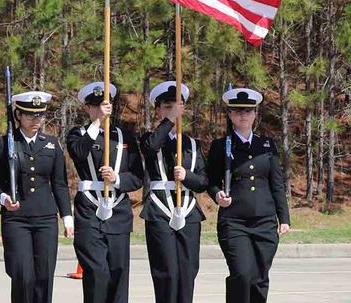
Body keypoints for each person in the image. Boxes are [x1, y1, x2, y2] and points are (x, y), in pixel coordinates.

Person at [207, 88, 290, 303]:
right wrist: (217, 195)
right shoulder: (220, 146)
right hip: (234, 221)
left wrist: (284, 218)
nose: (243, 115)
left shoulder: (267, 145)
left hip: (264, 220)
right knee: (242, 274)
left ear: (255, 113)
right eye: (237, 111)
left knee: (260, 277)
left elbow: (276, 184)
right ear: (230, 114)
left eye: (248, 111)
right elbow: (211, 181)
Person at [0, 90, 73, 303]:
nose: (36, 120)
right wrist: (4, 199)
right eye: (29, 115)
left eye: (40, 115)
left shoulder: (51, 144)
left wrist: (67, 216)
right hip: (16, 219)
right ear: (18, 115)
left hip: (45, 217)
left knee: (44, 275)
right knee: (23, 275)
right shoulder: (6, 143)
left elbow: (60, 184)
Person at [66, 82, 144, 303]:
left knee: (118, 272)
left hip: (118, 209)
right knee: (97, 272)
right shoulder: (78, 134)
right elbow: (79, 153)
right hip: (89, 209)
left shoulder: (124, 137)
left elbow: (138, 176)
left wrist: (117, 178)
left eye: (104, 105)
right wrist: (98, 121)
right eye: (95, 106)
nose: (100, 109)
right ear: (87, 108)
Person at [140, 81, 208, 303]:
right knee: (166, 271)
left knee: (188, 271)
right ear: (158, 110)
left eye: (177, 106)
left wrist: (186, 176)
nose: (173, 111)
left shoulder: (192, 144)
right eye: (167, 106)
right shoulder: (150, 138)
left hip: (188, 210)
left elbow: (203, 181)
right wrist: (169, 120)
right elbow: (151, 148)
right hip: (160, 210)